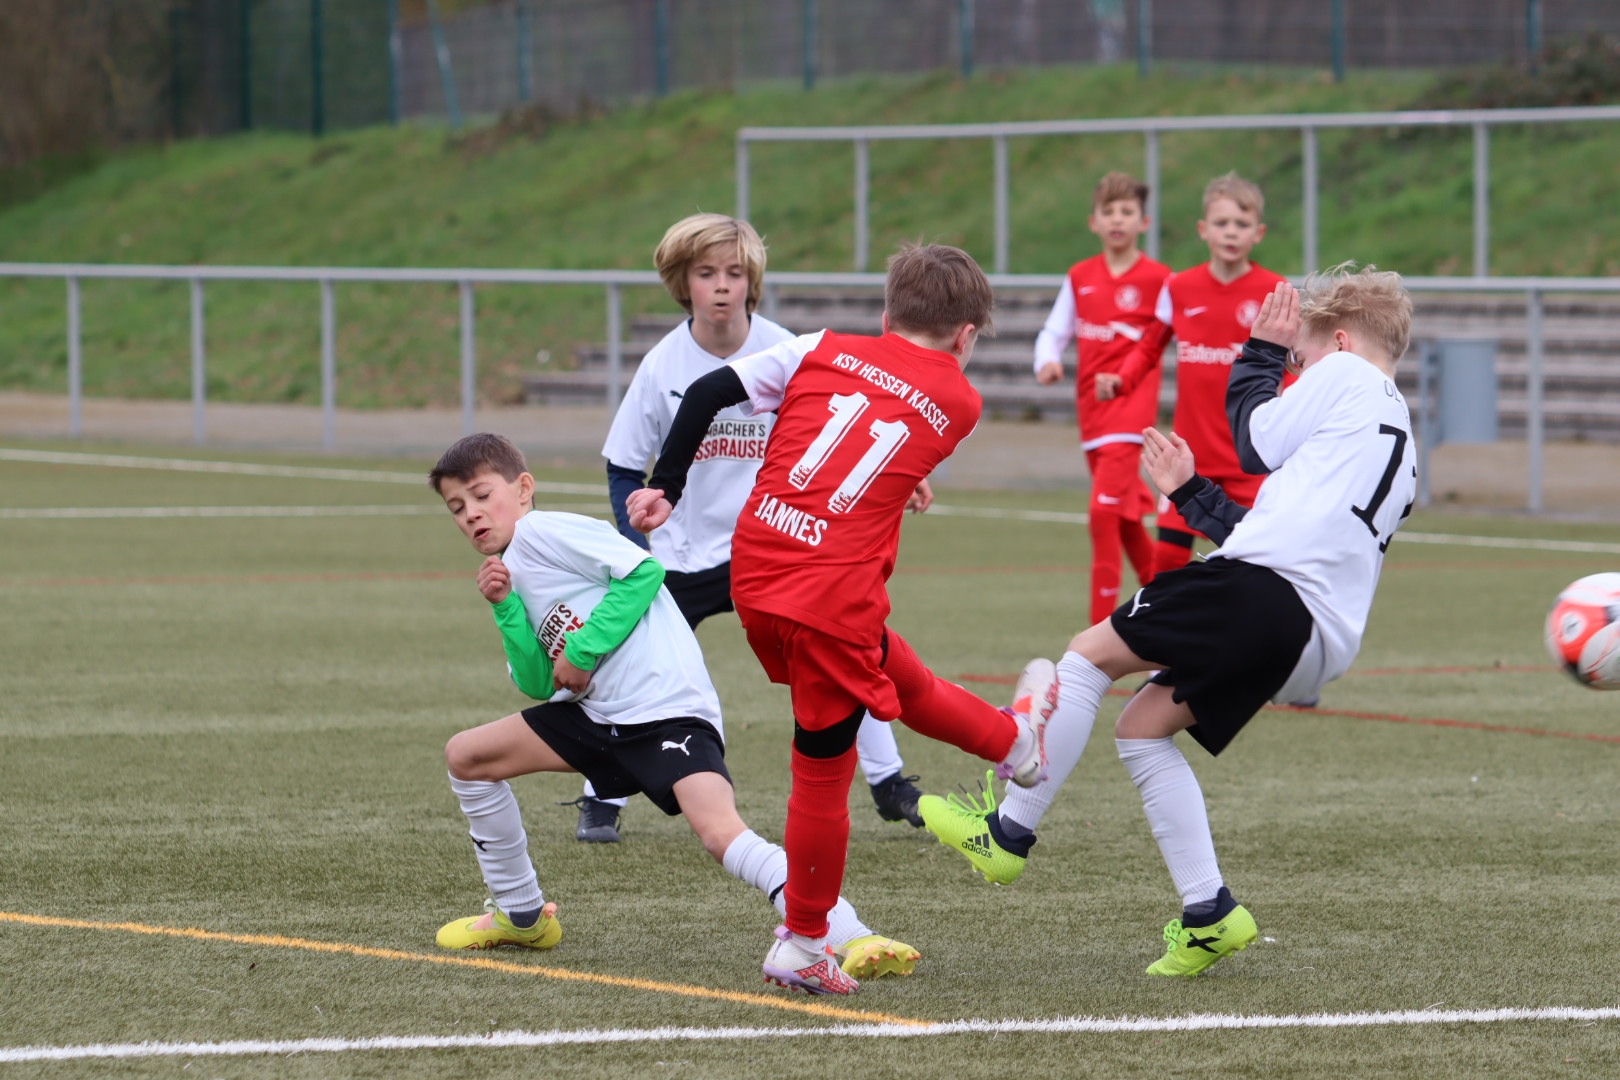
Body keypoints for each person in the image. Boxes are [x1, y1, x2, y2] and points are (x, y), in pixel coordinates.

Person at [922, 268, 1417, 977]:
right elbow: (1282, 531)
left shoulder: (1344, 373)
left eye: (1300, 359)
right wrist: (1191, 493)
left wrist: (1260, 351)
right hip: (1314, 640)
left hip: (1268, 593)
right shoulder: (1400, 445)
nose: (1296, 373)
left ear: (1339, 342)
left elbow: (1253, 443)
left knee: (1086, 656)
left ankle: (1006, 833)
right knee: (1142, 730)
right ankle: (1210, 913)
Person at [627, 243, 1057, 995]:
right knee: (822, 771)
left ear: (887, 314)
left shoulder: (819, 347)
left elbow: (706, 393)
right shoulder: (961, 402)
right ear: (966, 335)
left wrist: (666, 486)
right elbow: (891, 431)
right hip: (828, 593)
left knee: (889, 668)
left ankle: (1014, 742)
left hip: (757, 572)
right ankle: (802, 942)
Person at [429, 433, 918, 990]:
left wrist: (583, 652)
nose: (471, 514)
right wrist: (505, 608)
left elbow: (643, 572)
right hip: (597, 717)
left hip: (664, 710)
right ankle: (521, 916)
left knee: (720, 833)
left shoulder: (545, 530)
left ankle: (852, 934)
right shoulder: (510, 568)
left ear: (523, 489)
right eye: (457, 508)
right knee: (467, 757)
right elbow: (541, 682)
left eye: (481, 496)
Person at [581, 212, 927, 844]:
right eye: (706, 273)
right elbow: (624, 467)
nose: (722, 285)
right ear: (681, 283)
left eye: (734, 273)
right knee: (631, 663)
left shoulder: (788, 349)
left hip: (775, 547)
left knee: (844, 648)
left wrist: (903, 477)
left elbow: (849, 431)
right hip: (683, 555)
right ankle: (601, 796)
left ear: (753, 281)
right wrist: (638, 549)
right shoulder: (661, 366)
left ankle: (889, 782)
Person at [1095, 172, 1288, 578]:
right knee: (1166, 563)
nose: (1231, 232)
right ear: (1203, 229)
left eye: (1242, 223)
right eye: (1221, 223)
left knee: (1252, 564)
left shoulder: (1274, 291)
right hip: (1188, 456)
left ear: (1259, 233)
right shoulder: (1179, 287)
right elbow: (1149, 346)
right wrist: (1122, 380)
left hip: (1248, 461)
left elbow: (1291, 365)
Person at [1033, 171, 1170, 625]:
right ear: (1093, 222)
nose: (1117, 219)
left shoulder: (1160, 280)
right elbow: (1054, 331)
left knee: (1102, 513)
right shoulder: (1080, 277)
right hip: (1092, 416)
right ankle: (1169, 610)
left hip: (1131, 416)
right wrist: (1046, 361)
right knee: (1127, 520)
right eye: (1108, 211)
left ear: (1144, 222)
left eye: (1127, 211)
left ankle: (1095, 638)